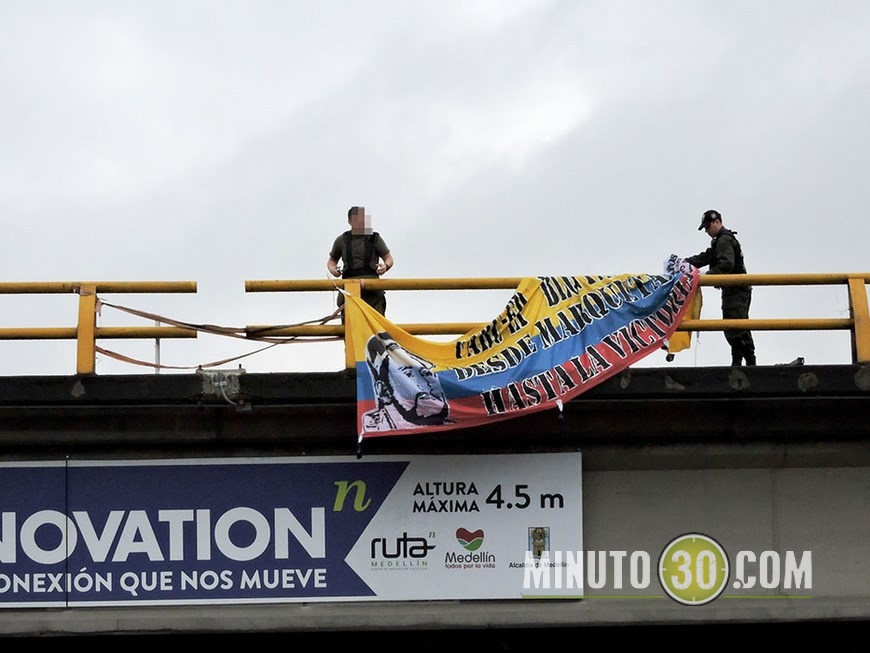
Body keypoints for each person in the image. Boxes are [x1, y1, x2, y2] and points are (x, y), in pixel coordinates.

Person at [686, 209, 756, 366]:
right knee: (737, 327)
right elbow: (707, 256)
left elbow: (726, 264)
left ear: (717, 222)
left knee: (735, 327)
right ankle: (742, 362)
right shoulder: (721, 240)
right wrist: (685, 263)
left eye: (707, 227)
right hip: (736, 290)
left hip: (736, 291)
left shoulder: (724, 240)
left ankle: (746, 363)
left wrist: (708, 276)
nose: (706, 231)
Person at [362, 332, 453, 431]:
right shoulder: (373, 431)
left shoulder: (455, 425)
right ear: (383, 391)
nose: (429, 384)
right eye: (409, 376)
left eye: (427, 374)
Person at [327, 206, 394, 317]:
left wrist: (385, 266)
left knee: (376, 327)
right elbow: (331, 261)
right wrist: (333, 269)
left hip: (372, 291)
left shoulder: (374, 238)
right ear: (349, 221)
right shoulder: (341, 240)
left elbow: (389, 258)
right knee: (350, 329)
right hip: (349, 290)